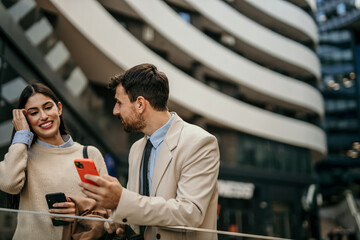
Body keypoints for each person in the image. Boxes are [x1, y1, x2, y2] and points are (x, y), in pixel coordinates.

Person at [79, 63, 220, 239]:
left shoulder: (200, 143)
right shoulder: (136, 149)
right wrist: (121, 222)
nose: (115, 111)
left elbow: (190, 214)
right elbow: (139, 212)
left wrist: (122, 199)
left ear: (140, 104)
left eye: (119, 102)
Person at [0, 83, 108, 240]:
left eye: (48, 107)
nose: (43, 116)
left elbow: (107, 207)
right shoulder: (23, 156)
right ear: (26, 119)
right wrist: (22, 135)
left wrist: (78, 211)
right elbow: (8, 184)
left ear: (59, 108)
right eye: (34, 113)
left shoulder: (88, 154)